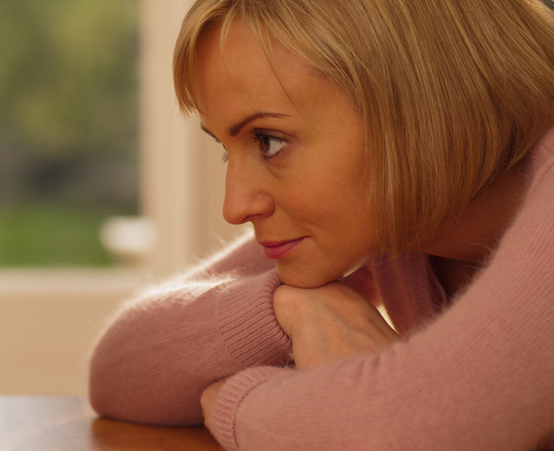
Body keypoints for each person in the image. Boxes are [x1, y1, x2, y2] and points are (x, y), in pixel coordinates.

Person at [89, 0, 554, 449]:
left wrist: (234, 402)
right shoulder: (395, 217)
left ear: (415, 102)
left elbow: (389, 436)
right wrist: (292, 310)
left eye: (269, 142)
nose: (235, 207)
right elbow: (118, 368)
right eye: (227, 149)